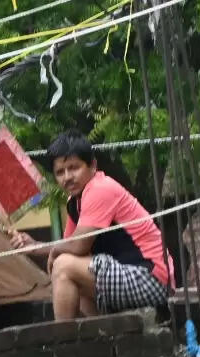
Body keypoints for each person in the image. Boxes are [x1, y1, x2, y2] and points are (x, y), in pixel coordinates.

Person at [11, 131, 174, 319]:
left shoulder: (99, 189)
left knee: (64, 267)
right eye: (59, 172)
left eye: (73, 168)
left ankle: (64, 343)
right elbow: (69, 246)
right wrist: (33, 246)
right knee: (69, 273)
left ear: (93, 165)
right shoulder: (75, 201)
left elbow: (77, 247)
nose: (67, 177)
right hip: (128, 273)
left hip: (150, 277)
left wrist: (54, 253)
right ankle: (98, 340)